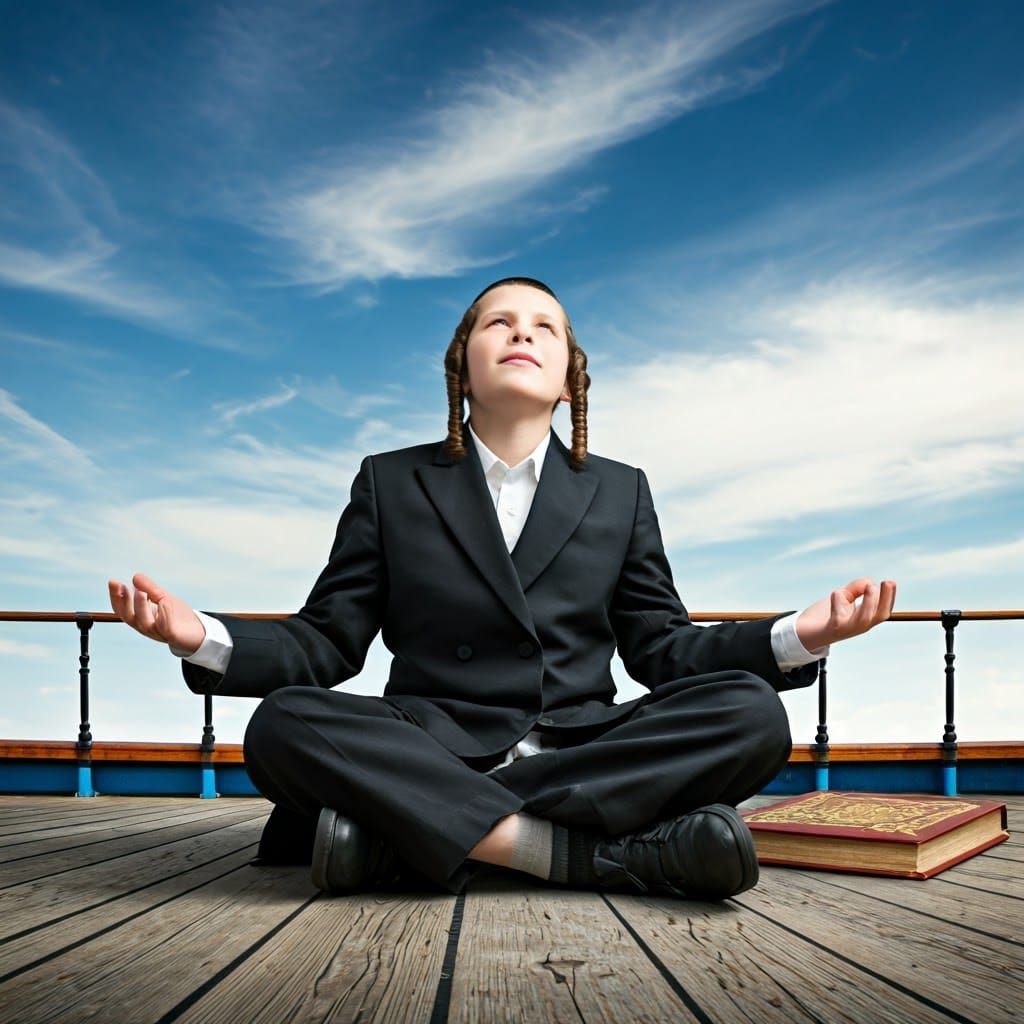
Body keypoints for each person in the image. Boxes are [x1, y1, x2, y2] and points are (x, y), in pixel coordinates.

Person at [109, 276, 896, 901]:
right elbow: (327, 641)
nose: (522, 332)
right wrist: (202, 637)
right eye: (500, 322)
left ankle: (407, 832)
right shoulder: (390, 482)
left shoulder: (621, 491)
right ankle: (584, 854)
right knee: (283, 725)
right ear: (462, 366)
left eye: (544, 326)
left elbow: (661, 646)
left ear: (568, 379)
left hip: (580, 743)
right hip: (431, 739)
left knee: (751, 712)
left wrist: (800, 635)